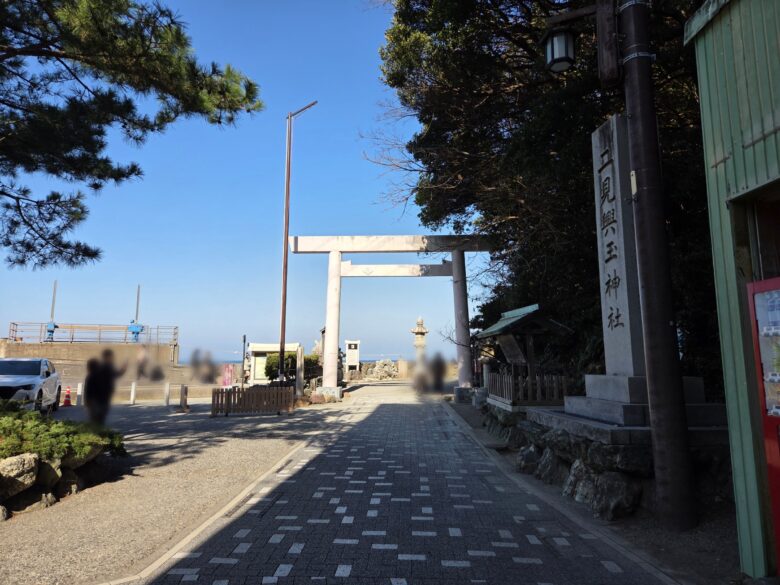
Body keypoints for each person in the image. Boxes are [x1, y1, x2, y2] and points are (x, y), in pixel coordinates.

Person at [84, 349, 126, 425]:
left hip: (102, 399)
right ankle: (98, 434)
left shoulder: (103, 368)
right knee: (97, 420)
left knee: (97, 420)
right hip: (99, 400)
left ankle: (98, 433)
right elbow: (90, 390)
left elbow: (88, 390)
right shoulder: (103, 368)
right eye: (111, 356)